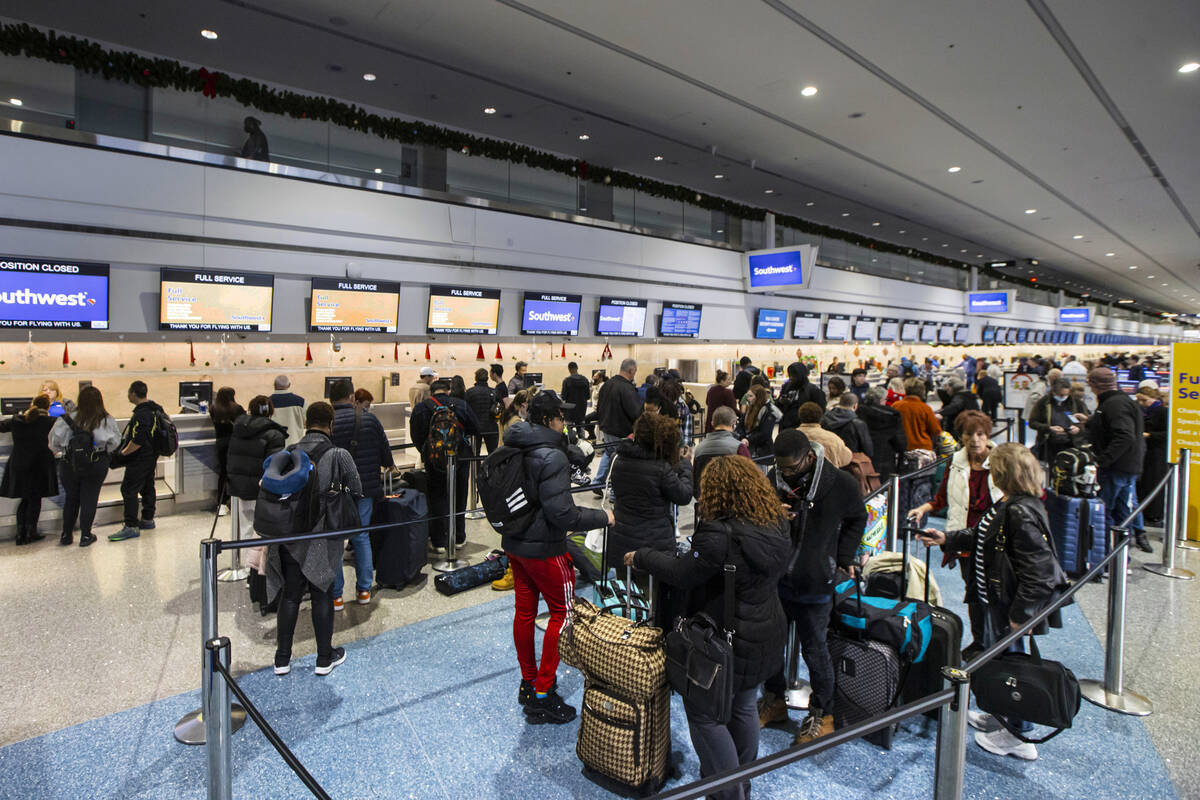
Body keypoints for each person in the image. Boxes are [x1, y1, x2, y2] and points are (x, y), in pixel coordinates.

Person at [625, 455, 790, 798]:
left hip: (724, 640)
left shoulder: (719, 534)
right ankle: (742, 782)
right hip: (767, 630)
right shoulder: (775, 522)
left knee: (705, 718)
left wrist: (643, 557)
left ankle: (727, 793)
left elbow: (683, 573)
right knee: (744, 707)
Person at [918, 443, 1069, 761]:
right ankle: (1002, 714)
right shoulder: (1013, 503)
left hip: (1006, 607)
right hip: (993, 600)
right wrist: (948, 538)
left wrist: (1021, 616)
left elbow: (1041, 572)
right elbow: (983, 534)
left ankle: (1017, 733)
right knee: (997, 662)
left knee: (1013, 666)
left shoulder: (1019, 511)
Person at [503, 391, 612, 724]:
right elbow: (563, 514)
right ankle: (542, 695)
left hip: (515, 543)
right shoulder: (551, 456)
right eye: (561, 417)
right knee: (563, 613)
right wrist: (603, 518)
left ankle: (528, 681)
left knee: (524, 612)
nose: (565, 422)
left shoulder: (514, 442)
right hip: (544, 548)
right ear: (550, 420)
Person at [759, 429, 866, 743]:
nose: (785, 473)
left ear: (808, 457)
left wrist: (843, 556)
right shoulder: (773, 477)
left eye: (791, 468)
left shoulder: (840, 483)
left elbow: (858, 518)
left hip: (816, 579)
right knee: (771, 645)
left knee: (815, 650)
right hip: (777, 577)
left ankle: (823, 712)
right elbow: (759, 513)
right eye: (781, 468)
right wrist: (772, 513)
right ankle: (774, 699)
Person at [267, 402, 352, 677]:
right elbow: (356, 488)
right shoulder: (338, 454)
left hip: (291, 536)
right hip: (322, 535)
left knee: (291, 595)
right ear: (331, 423)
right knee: (322, 592)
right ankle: (324, 659)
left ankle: (282, 659)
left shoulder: (289, 452)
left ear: (305, 422)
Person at [907, 411, 1002, 652]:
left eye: (980, 434)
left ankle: (1001, 645)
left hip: (995, 539)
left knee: (996, 593)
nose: (975, 440)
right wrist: (923, 508)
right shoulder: (956, 461)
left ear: (987, 435)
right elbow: (941, 498)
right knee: (972, 592)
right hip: (964, 537)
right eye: (969, 434)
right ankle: (980, 642)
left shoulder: (1002, 460)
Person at [609, 413, 693, 616]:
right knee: (651, 603)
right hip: (653, 546)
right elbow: (683, 495)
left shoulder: (618, 459)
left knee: (625, 599)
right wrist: (685, 465)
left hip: (621, 539)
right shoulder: (661, 469)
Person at [329, 379, 395, 608]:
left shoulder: (328, 421)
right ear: (350, 397)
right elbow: (385, 451)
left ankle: (336, 595)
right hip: (364, 488)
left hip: (335, 491)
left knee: (335, 541)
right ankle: (364, 591)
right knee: (361, 536)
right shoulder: (369, 418)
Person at [409, 378, 480, 555]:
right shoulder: (461, 405)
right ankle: (459, 537)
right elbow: (476, 428)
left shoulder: (421, 408)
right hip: (461, 458)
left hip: (435, 461)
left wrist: (428, 452)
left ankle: (439, 541)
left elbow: (416, 435)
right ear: (448, 390)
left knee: (437, 497)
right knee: (460, 495)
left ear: (431, 392)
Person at [1085, 367, 1151, 553]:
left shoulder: (1113, 404)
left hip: (1116, 467)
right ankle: (1121, 554)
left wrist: (1103, 460)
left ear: (1093, 384)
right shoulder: (1121, 401)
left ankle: (1106, 554)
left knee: (1106, 511)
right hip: (1127, 465)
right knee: (1123, 511)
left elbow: (1124, 435)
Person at [49, 386, 121, 547]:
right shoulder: (106, 420)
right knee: (89, 498)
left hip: (69, 463)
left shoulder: (66, 419)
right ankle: (86, 535)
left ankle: (66, 535)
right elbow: (115, 442)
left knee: (71, 498)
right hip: (96, 463)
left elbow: (54, 442)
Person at [226, 395, 288, 543]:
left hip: (239, 488)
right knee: (262, 532)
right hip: (262, 489)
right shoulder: (275, 434)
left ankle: (244, 562)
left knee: (245, 528)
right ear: (271, 412)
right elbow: (274, 466)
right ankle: (254, 565)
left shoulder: (238, 428)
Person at [110, 381, 164, 542]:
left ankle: (131, 525)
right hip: (152, 456)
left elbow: (138, 440)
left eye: (129, 392)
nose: (128, 395)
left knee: (128, 489)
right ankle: (148, 518)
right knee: (148, 486)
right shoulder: (156, 408)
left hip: (140, 458)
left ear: (133, 393)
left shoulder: (142, 414)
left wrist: (123, 454)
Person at [0, 396, 58, 545]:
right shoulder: (51, 422)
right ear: (47, 407)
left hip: (19, 464)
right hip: (39, 465)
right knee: (35, 498)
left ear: (32, 405)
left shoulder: (17, 420)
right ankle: (31, 531)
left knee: (25, 498)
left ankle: (20, 533)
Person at [594, 358, 642, 494]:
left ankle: (597, 483)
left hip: (606, 427)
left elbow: (599, 407)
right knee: (620, 460)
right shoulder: (627, 388)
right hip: (621, 431)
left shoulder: (607, 384)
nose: (634, 375)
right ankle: (616, 493)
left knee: (609, 454)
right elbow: (636, 412)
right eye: (635, 372)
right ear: (631, 370)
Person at [693, 406, 752, 494]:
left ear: (712, 423)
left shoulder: (699, 448)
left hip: (707, 501)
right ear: (734, 423)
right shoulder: (739, 448)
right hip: (734, 501)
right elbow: (750, 480)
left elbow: (695, 482)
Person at [1029, 378, 1087, 465]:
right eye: (1060, 395)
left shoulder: (1077, 403)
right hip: (1049, 446)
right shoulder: (1043, 403)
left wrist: (1078, 428)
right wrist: (1049, 428)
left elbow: (1086, 423)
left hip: (1072, 445)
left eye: (1066, 395)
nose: (1063, 397)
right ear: (1053, 392)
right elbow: (1032, 422)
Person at [1135, 382, 1168, 528]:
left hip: (1158, 453)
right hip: (1146, 452)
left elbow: (1167, 434)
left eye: (1144, 400)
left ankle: (1154, 514)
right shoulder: (1145, 411)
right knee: (1145, 482)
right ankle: (1145, 511)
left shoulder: (1162, 412)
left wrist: (1149, 435)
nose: (1142, 403)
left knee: (1154, 482)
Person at [858, 386, 906, 480]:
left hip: (863, 459)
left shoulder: (860, 412)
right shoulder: (893, 416)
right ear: (881, 400)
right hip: (885, 460)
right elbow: (900, 443)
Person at [209, 387, 244, 516]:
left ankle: (222, 503)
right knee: (235, 472)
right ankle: (234, 501)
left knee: (223, 473)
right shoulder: (236, 408)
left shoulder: (213, 408)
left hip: (220, 443)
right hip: (234, 443)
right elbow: (243, 423)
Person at [895, 378, 943, 456]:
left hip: (901, 450)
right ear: (922, 391)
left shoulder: (896, 406)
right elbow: (936, 430)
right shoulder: (925, 409)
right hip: (923, 450)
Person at [796, 402, 851, 468]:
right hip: (829, 476)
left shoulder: (790, 437)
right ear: (820, 418)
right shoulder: (834, 438)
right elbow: (847, 458)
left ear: (800, 416)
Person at [821, 392, 873, 457]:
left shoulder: (824, 419)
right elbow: (868, 450)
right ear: (855, 406)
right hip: (850, 461)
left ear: (839, 403)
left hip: (828, 460)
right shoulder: (859, 424)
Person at [467, 367, 502, 453]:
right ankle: (490, 467)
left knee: (475, 454)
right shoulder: (494, 392)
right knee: (492, 453)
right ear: (487, 378)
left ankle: (477, 467)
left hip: (475, 428)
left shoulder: (470, 392)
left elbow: (467, 410)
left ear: (476, 378)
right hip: (491, 427)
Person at [744, 385, 782, 460]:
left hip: (762, 452)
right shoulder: (750, 408)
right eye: (748, 396)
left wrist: (748, 439)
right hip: (750, 448)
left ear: (758, 397)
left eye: (751, 396)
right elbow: (742, 425)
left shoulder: (769, 411)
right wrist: (742, 437)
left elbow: (765, 433)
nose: (748, 399)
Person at [270, 375, 305, 447]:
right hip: (295, 446)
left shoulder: (267, 403)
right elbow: (306, 422)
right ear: (289, 385)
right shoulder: (301, 402)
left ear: (274, 385)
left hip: (274, 447)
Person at [560, 361, 591, 433]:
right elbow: (588, 396)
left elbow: (563, 397)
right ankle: (582, 442)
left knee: (568, 431)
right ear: (577, 368)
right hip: (581, 410)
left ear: (569, 369)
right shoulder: (585, 380)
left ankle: (569, 442)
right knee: (581, 431)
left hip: (570, 411)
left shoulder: (567, 381)